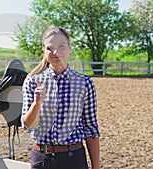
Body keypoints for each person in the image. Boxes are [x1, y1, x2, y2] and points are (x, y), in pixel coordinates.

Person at [21, 26, 100, 169]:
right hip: (42, 159)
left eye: (61, 46)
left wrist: (96, 167)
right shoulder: (32, 81)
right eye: (50, 48)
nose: (55, 52)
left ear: (69, 48)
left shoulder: (85, 83)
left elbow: (91, 128)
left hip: (74, 159)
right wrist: (37, 104)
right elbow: (28, 126)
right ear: (44, 50)